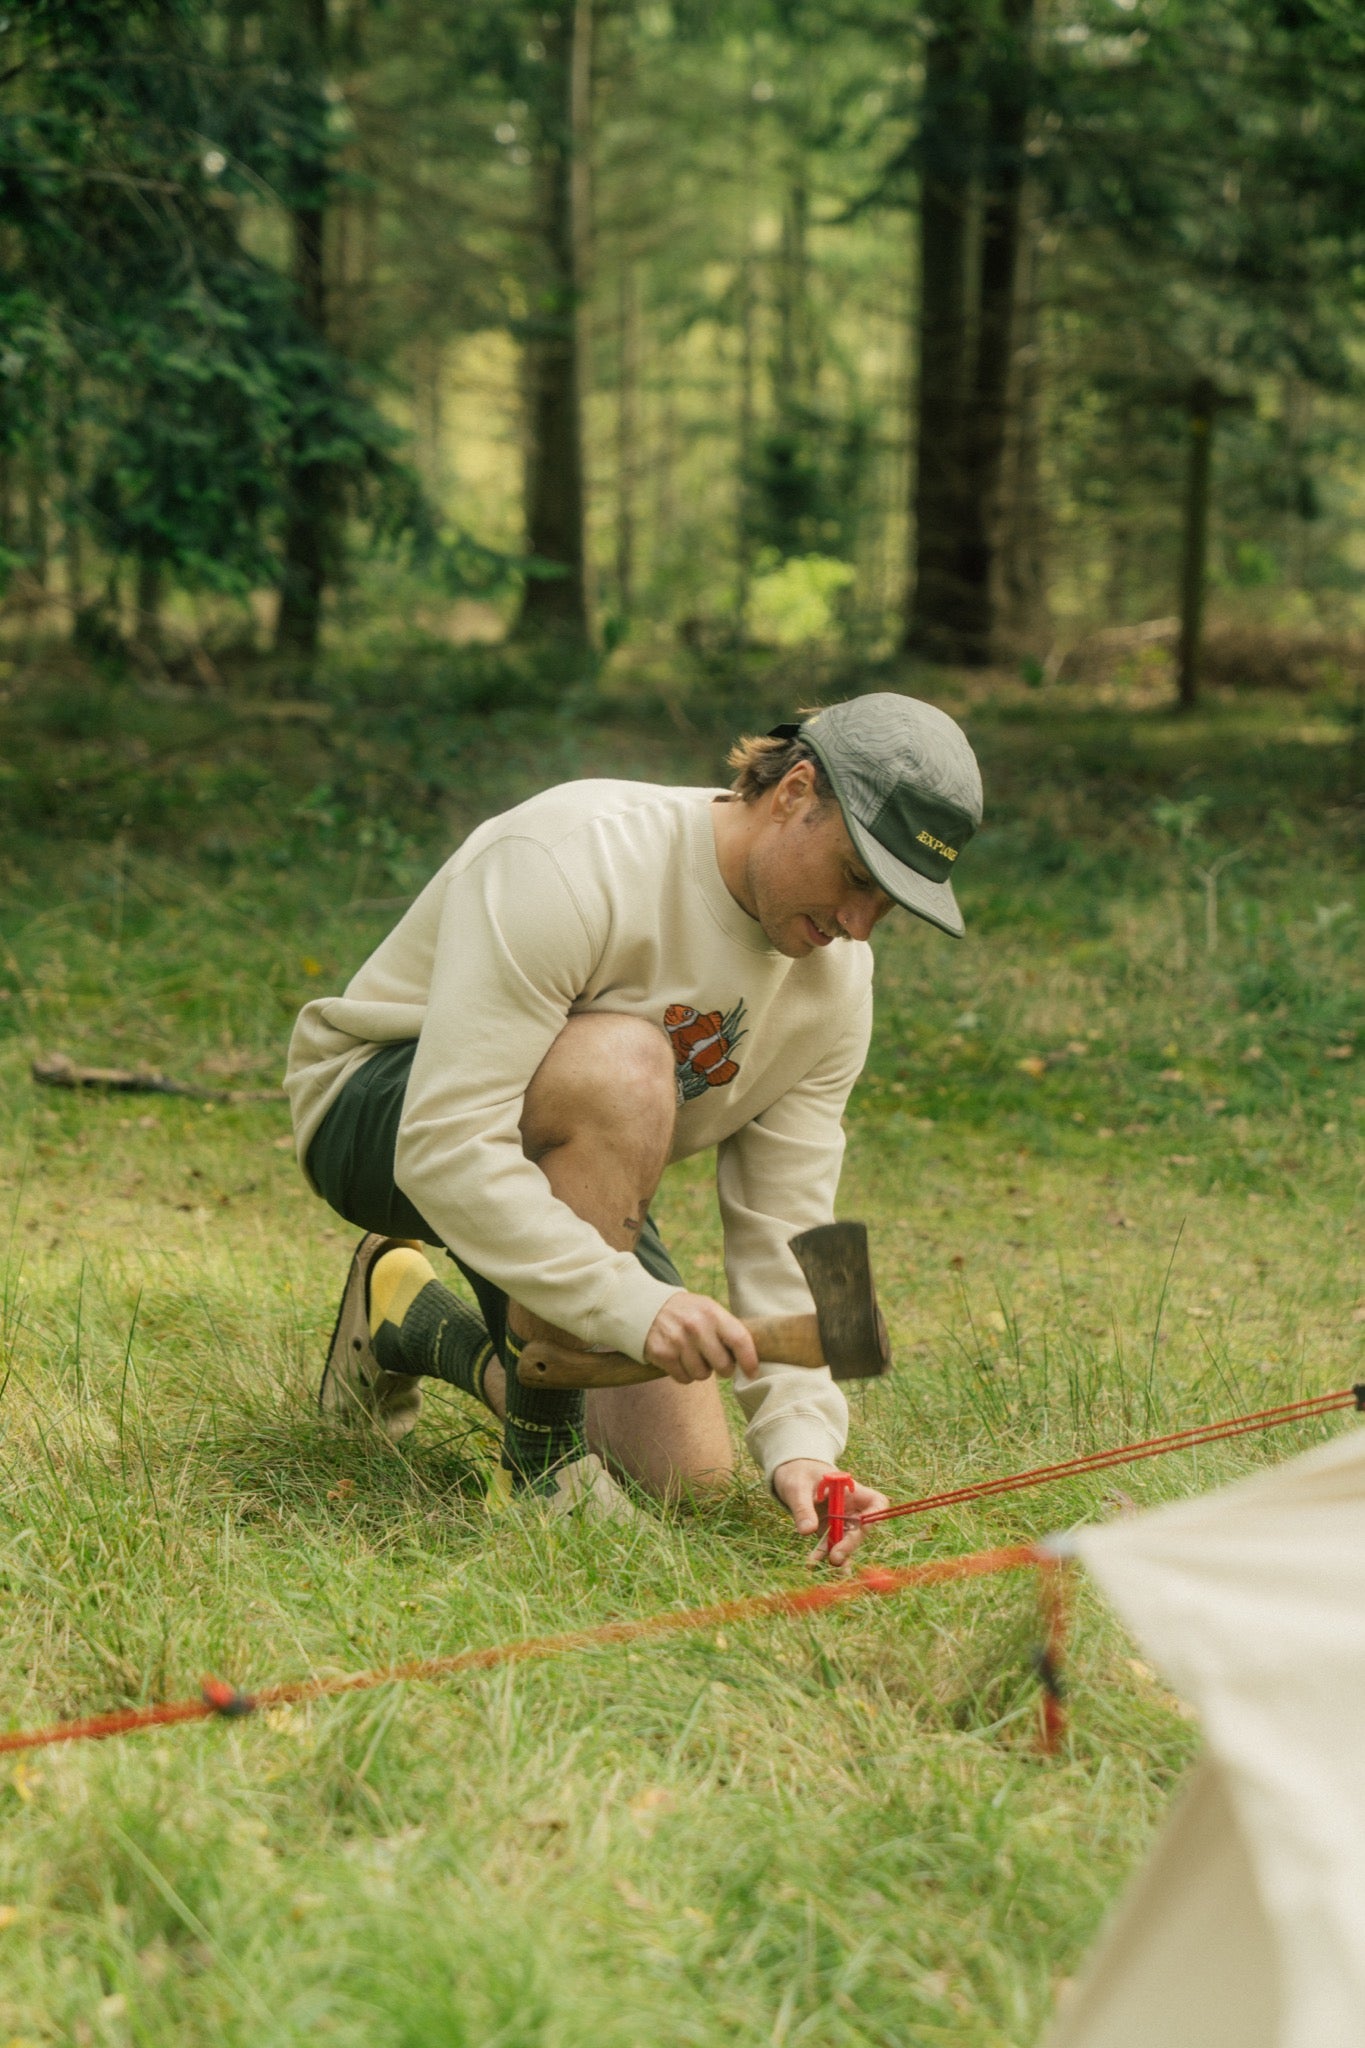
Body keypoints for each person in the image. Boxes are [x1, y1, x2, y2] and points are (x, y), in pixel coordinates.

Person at [285, 692, 983, 1565]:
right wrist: (627, 1303)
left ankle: (402, 1312)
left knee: (681, 1476)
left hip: (573, 1170)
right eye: (856, 878)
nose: (857, 926)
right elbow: (445, 1143)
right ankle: (540, 1474)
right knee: (625, 1064)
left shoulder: (838, 986)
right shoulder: (574, 854)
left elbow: (798, 1220)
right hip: (385, 1112)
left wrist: (806, 1445)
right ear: (795, 792)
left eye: (890, 906)